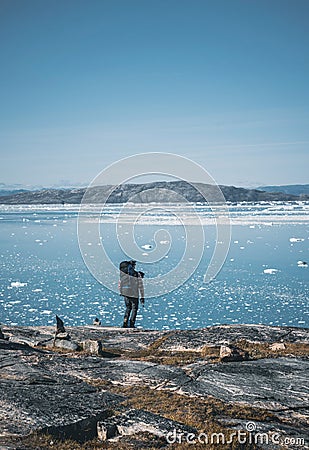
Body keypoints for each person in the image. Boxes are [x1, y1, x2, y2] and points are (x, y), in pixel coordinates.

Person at [120, 260, 145, 328]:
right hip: (134, 293)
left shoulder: (124, 275)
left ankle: (125, 321)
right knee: (134, 308)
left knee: (128, 308)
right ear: (133, 266)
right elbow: (141, 287)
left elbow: (120, 284)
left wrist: (121, 292)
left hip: (125, 292)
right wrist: (142, 297)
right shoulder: (137, 274)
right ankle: (132, 323)